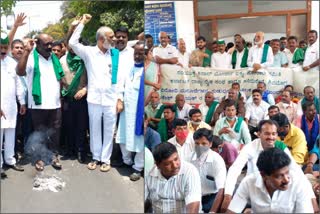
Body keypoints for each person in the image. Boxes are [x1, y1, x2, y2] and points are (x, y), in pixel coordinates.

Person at [220, 119, 315, 212]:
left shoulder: (280, 147)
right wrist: (228, 195)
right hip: (254, 191)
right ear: (258, 134)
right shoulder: (251, 147)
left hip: (278, 190)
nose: (271, 137)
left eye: (274, 134)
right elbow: (235, 169)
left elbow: (297, 172)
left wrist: (312, 198)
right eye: (267, 133)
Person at [69, 14, 123, 172]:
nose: (114, 39)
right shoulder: (89, 52)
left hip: (111, 99)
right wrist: (82, 24)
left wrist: (120, 99)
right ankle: (96, 157)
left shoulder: (115, 54)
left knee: (109, 129)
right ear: (101, 39)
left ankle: (106, 159)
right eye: (111, 36)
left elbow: (119, 79)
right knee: (94, 129)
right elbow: (72, 43)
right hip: (93, 99)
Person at [17, 31, 64, 171]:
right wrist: (26, 51)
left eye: (51, 43)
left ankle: (54, 155)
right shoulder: (31, 58)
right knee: (38, 133)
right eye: (46, 44)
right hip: (37, 105)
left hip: (55, 104)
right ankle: (39, 158)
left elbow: (59, 79)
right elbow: (20, 72)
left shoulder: (54, 59)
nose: (50, 47)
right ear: (37, 44)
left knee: (55, 133)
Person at [227, 148, 313, 213]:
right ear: (263, 175)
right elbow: (232, 211)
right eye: (279, 176)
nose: (286, 180)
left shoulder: (298, 183)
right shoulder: (249, 182)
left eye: (287, 173)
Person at [60, 18, 89, 163]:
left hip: (83, 99)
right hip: (67, 99)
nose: (72, 48)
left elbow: (94, 80)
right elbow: (58, 80)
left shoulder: (86, 60)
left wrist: (85, 89)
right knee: (68, 125)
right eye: (70, 45)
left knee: (81, 126)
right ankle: (70, 149)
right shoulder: (62, 60)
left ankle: (81, 151)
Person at [145, 142, 201, 213]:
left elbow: (193, 204)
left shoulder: (190, 171)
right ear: (158, 165)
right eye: (168, 163)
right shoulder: (150, 174)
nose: (175, 165)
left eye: (176, 159)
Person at [116, 41, 145, 181]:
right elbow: (121, 86)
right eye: (136, 53)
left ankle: (138, 167)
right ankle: (126, 160)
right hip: (126, 110)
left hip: (138, 112)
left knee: (139, 139)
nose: (138, 56)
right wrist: (120, 100)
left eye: (141, 53)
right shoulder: (129, 69)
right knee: (123, 136)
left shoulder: (146, 71)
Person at [1, 31, 25, 176]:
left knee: (10, 133)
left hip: (11, 107)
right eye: (1, 48)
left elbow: (18, 85)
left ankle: (10, 160)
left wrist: (22, 102)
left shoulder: (11, 63)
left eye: (5, 48)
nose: (3, 51)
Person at [191, 128, 227, 213]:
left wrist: (212, 212)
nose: (200, 146)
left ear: (210, 144)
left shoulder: (217, 161)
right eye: (197, 143)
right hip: (193, 197)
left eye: (204, 143)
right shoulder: (188, 158)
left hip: (210, 198)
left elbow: (221, 190)